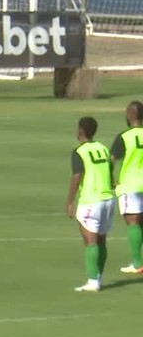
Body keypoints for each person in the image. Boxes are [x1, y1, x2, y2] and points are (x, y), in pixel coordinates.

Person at [68, 116, 114, 292]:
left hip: (91, 200)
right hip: (108, 199)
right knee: (101, 240)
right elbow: (110, 169)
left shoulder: (79, 152)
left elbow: (77, 175)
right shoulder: (102, 148)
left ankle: (92, 281)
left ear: (80, 131)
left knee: (90, 241)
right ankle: (98, 278)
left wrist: (70, 201)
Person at [113, 101, 143, 274]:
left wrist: (110, 180)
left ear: (130, 115)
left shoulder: (124, 137)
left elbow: (112, 159)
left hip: (130, 185)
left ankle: (137, 263)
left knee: (133, 222)